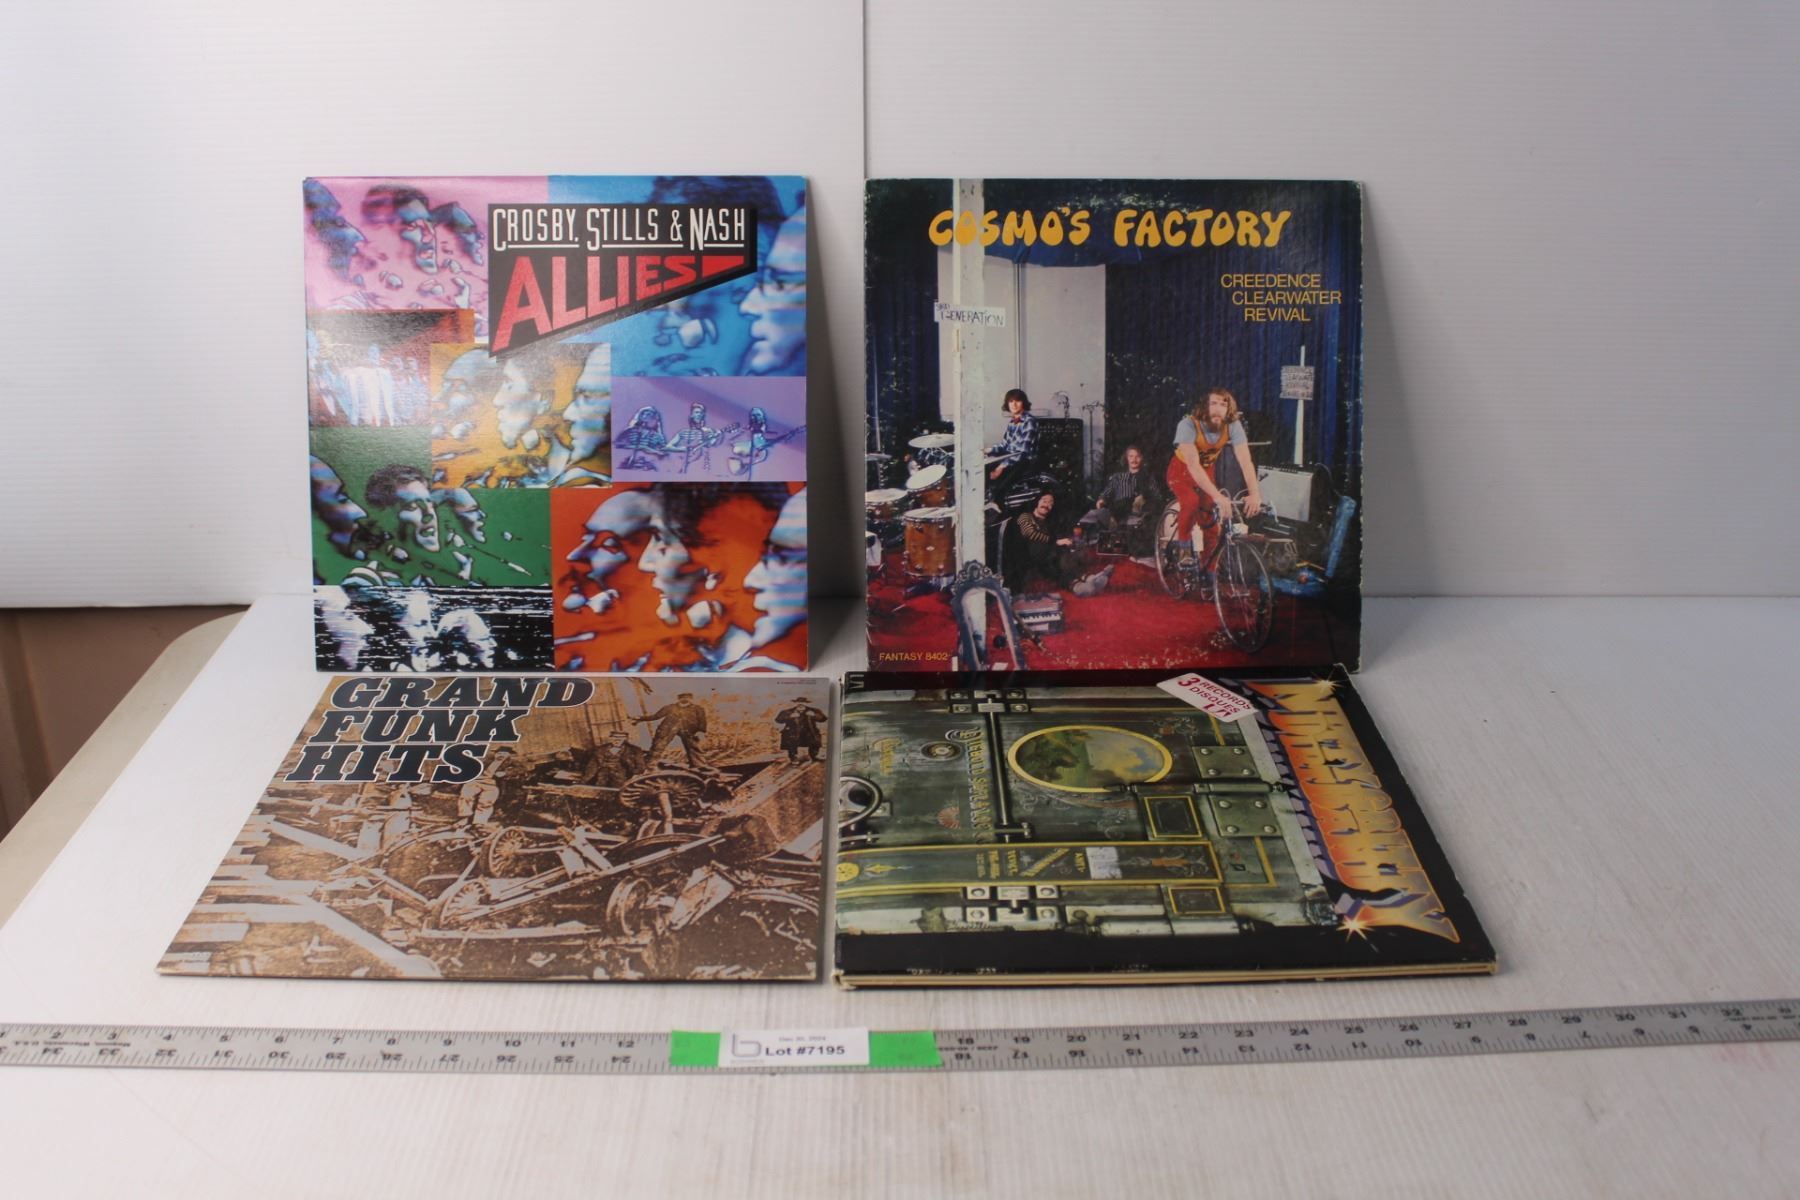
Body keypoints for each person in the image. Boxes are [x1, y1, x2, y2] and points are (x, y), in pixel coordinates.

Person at [1165, 387, 1263, 562]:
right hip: (1181, 471)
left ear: (1229, 409)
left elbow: (1245, 461)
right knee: (1191, 502)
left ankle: (1209, 569)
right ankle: (1184, 548)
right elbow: (1193, 465)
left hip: (1206, 472)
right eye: (1214, 403)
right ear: (1205, 406)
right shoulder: (1188, 424)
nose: (1218, 409)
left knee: (1211, 521)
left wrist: (1254, 493)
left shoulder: (1233, 425)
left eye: (1223, 405)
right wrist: (1218, 495)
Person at [1078, 446, 1162, 545]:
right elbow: (1107, 492)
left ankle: (1116, 522)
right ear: (1127, 458)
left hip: (1139, 509)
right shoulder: (1118, 477)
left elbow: (1157, 496)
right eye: (1131, 456)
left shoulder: (1148, 477)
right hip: (1119, 507)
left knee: (1135, 500)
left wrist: (1145, 499)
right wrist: (1101, 500)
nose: (1134, 460)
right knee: (1100, 513)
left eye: (1137, 456)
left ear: (1142, 458)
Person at [1004, 492, 1081, 593]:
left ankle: (1081, 580)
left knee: (1065, 552)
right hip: (1027, 559)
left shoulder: (1049, 522)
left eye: (1050, 503)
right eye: (1044, 501)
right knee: (1056, 554)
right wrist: (1056, 542)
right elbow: (1030, 533)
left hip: (1046, 559)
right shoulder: (1025, 516)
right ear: (1037, 502)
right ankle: (1076, 584)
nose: (1047, 505)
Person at [985, 388, 1039, 497]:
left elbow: (1022, 452)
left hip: (1023, 461)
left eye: (1017, 401)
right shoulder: (1012, 422)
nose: (1014, 404)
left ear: (1023, 403)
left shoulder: (1029, 421)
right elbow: (1005, 445)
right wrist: (988, 450)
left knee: (999, 490)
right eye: (1010, 401)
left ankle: (998, 504)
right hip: (1011, 459)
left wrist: (1001, 467)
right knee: (984, 471)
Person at [634, 693, 710, 768]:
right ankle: (649, 765)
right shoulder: (670, 707)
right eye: (683, 697)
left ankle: (698, 766)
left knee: (694, 747)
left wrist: (701, 731)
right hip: (668, 729)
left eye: (688, 698)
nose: (685, 699)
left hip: (689, 731)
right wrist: (640, 718)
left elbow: (702, 721)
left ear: (691, 699)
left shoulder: (698, 709)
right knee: (658, 746)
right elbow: (656, 716)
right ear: (679, 699)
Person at [582, 731, 650, 789]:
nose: (617, 740)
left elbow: (640, 766)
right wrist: (584, 781)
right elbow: (592, 766)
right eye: (614, 738)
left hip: (623, 776)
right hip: (603, 776)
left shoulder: (634, 750)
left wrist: (635, 775)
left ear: (625, 739)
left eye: (620, 738)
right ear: (610, 738)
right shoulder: (601, 750)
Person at [774, 695, 827, 764]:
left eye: (803, 702)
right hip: (793, 732)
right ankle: (793, 757)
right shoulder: (788, 711)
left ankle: (814, 755)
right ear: (795, 703)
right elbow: (778, 720)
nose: (801, 704)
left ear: (807, 703)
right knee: (791, 740)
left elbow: (823, 719)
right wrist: (790, 716)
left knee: (814, 740)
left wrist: (814, 715)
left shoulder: (813, 711)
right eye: (798, 702)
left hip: (809, 732)